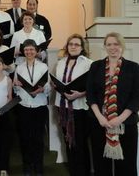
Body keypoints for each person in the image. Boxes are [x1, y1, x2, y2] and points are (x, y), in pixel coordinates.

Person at [86, 32, 139, 176]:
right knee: (101, 165)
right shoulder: (96, 66)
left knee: (126, 166)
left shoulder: (133, 67)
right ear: (105, 47)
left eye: (116, 44)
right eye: (109, 44)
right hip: (100, 123)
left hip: (125, 124)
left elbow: (137, 97)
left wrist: (119, 119)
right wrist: (100, 117)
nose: (113, 47)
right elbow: (90, 94)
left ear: (122, 46)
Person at [52, 34, 93, 176]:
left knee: (80, 144)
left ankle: (84, 172)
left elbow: (93, 86)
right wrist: (55, 85)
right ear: (67, 46)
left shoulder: (88, 63)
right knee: (68, 143)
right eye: (71, 44)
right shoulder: (61, 62)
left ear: (82, 48)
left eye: (76, 44)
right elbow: (58, 82)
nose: (73, 47)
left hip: (80, 108)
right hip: (62, 107)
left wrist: (80, 94)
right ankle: (74, 172)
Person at [13, 39, 49, 176]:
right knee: (25, 138)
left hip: (39, 106)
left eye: (31, 49)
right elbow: (16, 90)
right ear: (23, 51)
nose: (29, 52)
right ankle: (27, 166)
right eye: (26, 50)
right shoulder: (19, 67)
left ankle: (38, 166)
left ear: (36, 51)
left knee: (38, 139)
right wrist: (16, 85)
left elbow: (48, 87)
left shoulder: (43, 67)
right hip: (24, 106)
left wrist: (41, 90)